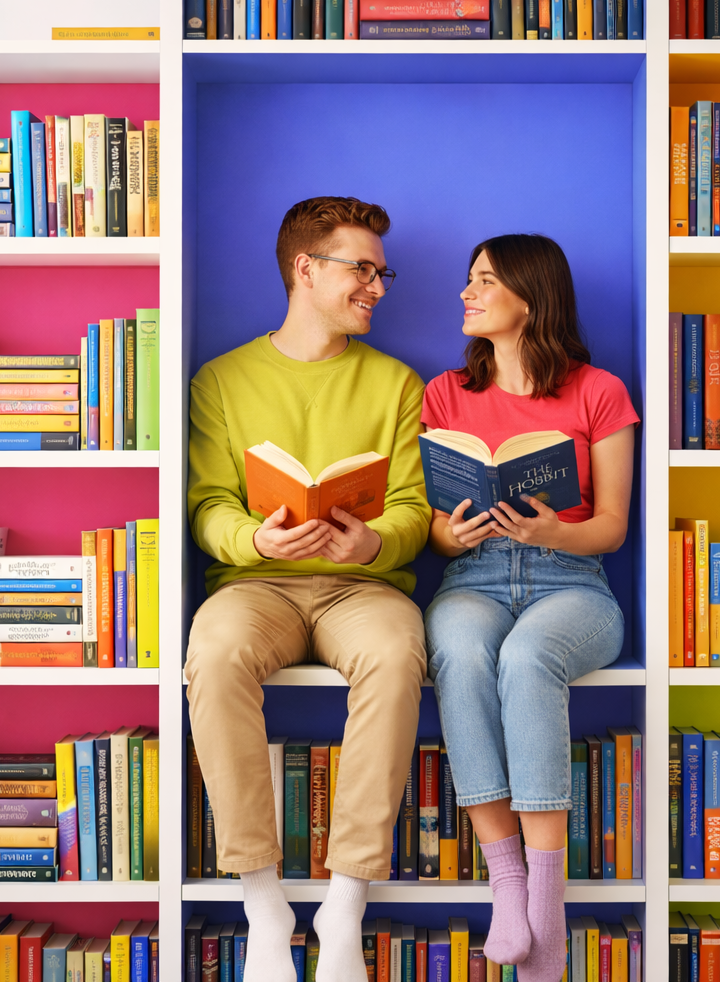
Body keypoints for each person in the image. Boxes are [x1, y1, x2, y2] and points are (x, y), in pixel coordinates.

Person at [185, 197, 431, 982]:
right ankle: (264, 903)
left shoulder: (397, 384)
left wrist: (377, 540)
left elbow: (415, 510)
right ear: (305, 269)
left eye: (380, 272)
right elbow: (207, 503)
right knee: (216, 652)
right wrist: (254, 537)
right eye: (363, 269)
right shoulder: (221, 380)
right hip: (257, 583)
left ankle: (346, 902)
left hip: (362, 586)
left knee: (397, 656)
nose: (378, 286)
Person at [422, 234, 639, 982]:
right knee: (457, 647)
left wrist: (556, 531)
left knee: (526, 656)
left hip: (572, 582)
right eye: (469, 278)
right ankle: (506, 884)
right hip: (474, 575)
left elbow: (613, 523)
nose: (466, 293)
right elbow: (433, 528)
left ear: (529, 296)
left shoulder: (599, 390)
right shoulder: (445, 393)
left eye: (484, 280)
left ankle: (546, 914)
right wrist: (448, 535)